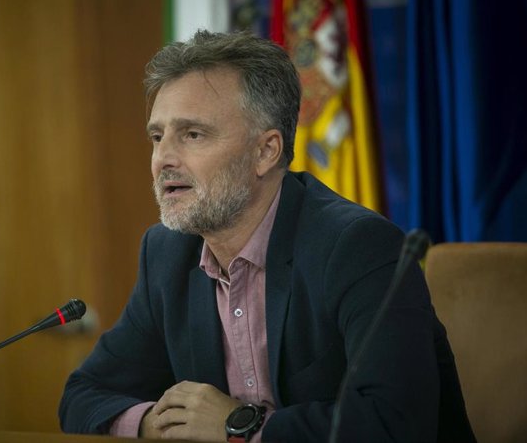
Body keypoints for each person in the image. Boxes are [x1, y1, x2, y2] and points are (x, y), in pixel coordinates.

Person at [59, 30, 474, 442]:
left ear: (266, 151)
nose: (163, 159)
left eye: (192, 135)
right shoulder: (167, 253)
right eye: (157, 136)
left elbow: (394, 423)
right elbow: (83, 396)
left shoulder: (357, 247)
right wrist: (155, 422)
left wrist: (241, 425)